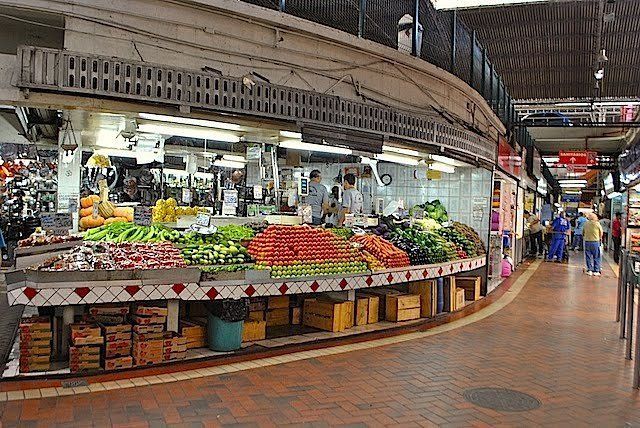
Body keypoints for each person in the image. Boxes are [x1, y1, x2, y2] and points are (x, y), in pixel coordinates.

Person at [583, 212, 604, 276]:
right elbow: (601, 232)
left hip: (587, 241)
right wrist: (599, 238)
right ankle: (596, 270)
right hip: (595, 242)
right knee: (596, 256)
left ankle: (589, 270)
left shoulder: (586, 223)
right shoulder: (597, 223)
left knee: (588, 256)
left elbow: (583, 232)